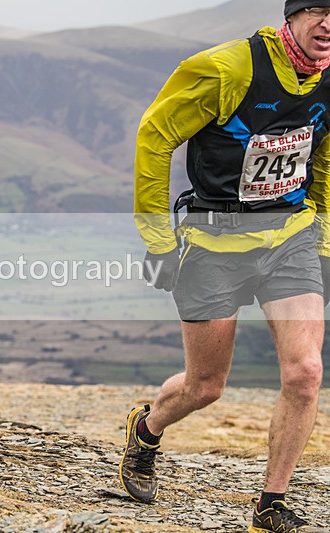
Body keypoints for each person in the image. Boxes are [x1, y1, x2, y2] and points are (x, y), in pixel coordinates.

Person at [127, 2, 330, 531]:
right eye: (319, 11)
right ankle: (147, 429)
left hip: (290, 238)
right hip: (214, 243)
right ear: (293, 16)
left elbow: (324, 154)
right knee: (205, 386)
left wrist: (324, 243)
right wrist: (157, 240)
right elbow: (154, 137)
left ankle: (272, 501)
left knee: (306, 373)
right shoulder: (226, 68)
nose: (329, 24)